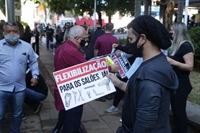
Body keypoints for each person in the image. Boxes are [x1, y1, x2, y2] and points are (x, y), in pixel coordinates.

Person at [107, 15, 179, 133]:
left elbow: (144, 123)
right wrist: (117, 82)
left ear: (142, 38)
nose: (128, 44)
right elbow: (138, 90)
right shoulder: (158, 62)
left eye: (130, 39)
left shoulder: (150, 76)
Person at [53, 25, 118, 133]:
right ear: (77, 39)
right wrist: (111, 68)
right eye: (84, 39)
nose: (86, 41)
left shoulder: (62, 47)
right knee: (72, 123)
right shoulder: (71, 51)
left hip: (65, 91)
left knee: (65, 118)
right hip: (73, 95)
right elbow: (89, 69)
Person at [0, 22, 39, 133]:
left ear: (19, 32)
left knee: (17, 114)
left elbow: (33, 62)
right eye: (9, 31)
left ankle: (15, 130)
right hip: (1, 89)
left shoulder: (26, 46)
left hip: (20, 89)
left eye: (15, 31)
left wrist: (35, 75)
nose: (12, 34)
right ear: (4, 33)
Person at [168, 22, 194, 133]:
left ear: (178, 31)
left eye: (172, 30)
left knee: (180, 113)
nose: (170, 32)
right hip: (176, 83)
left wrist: (173, 62)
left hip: (182, 85)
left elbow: (190, 66)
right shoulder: (178, 45)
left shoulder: (186, 46)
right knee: (176, 112)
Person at [94, 23, 119, 101]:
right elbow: (117, 51)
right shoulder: (115, 39)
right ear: (112, 29)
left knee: (101, 77)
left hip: (102, 60)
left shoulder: (99, 38)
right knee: (110, 77)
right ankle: (109, 94)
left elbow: (96, 50)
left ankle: (102, 95)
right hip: (111, 61)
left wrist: (95, 58)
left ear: (104, 28)